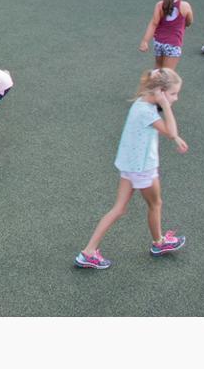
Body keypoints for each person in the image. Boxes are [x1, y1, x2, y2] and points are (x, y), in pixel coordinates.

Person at [75, 68, 189, 269]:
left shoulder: (141, 103)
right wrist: (166, 106)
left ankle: (88, 252)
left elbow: (166, 131)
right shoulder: (148, 111)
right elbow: (171, 132)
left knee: (119, 209)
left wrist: (174, 133)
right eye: (173, 94)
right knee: (156, 204)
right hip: (143, 168)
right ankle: (159, 243)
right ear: (160, 91)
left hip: (129, 165)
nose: (176, 98)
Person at [138, 0, 193, 72]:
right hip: (173, 45)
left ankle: (153, 85)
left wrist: (145, 41)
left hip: (159, 43)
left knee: (158, 69)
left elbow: (154, 24)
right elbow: (189, 22)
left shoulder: (159, 5)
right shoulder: (185, 6)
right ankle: (158, 87)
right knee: (167, 76)